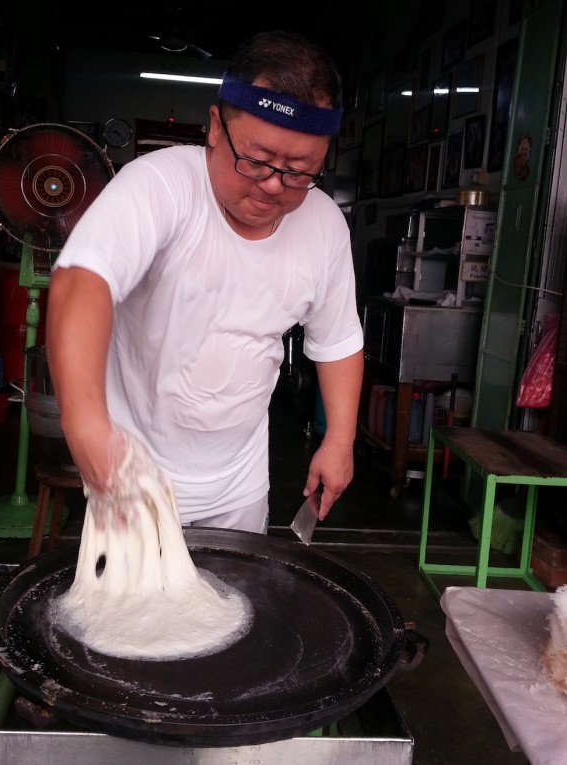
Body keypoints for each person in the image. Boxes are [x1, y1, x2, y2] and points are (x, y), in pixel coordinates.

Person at [46, 30, 364, 534]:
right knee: (130, 615)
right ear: (216, 126)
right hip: (133, 478)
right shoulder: (162, 186)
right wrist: (87, 428)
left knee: (232, 609)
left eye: (301, 171)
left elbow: (339, 339)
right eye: (256, 161)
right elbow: (81, 283)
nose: (274, 185)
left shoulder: (323, 226)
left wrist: (340, 439)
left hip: (239, 484)